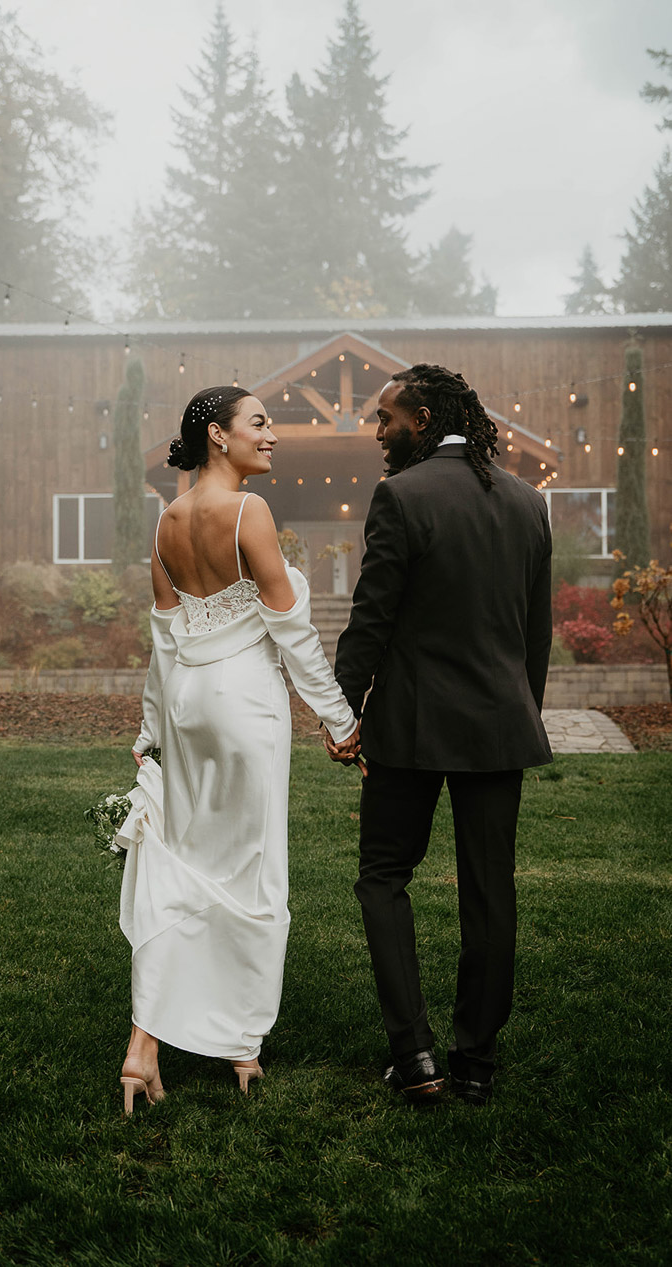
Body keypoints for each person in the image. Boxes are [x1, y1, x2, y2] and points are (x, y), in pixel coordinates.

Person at [118, 385, 361, 1114]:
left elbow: (163, 642)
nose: (272, 435)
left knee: (186, 867)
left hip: (188, 708)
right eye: (259, 423)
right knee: (253, 878)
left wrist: (149, 733)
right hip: (244, 704)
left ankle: (143, 1047)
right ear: (218, 437)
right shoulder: (248, 513)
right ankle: (240, 1042)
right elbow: (290, 631)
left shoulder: (166, 522)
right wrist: (340, 718)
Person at [330, 364, 552, 1106]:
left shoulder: (400, 495)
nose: (378, 430)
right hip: (498, 725)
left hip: (409, 728)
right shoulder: (527, 502)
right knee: (491, 892)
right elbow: (535, 633)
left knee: (382, 875)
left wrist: (342, 711)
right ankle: (475, 1064)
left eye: (386, 417)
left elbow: (372, 618)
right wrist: (521, 710)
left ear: (421, 419)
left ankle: (414, 1055)